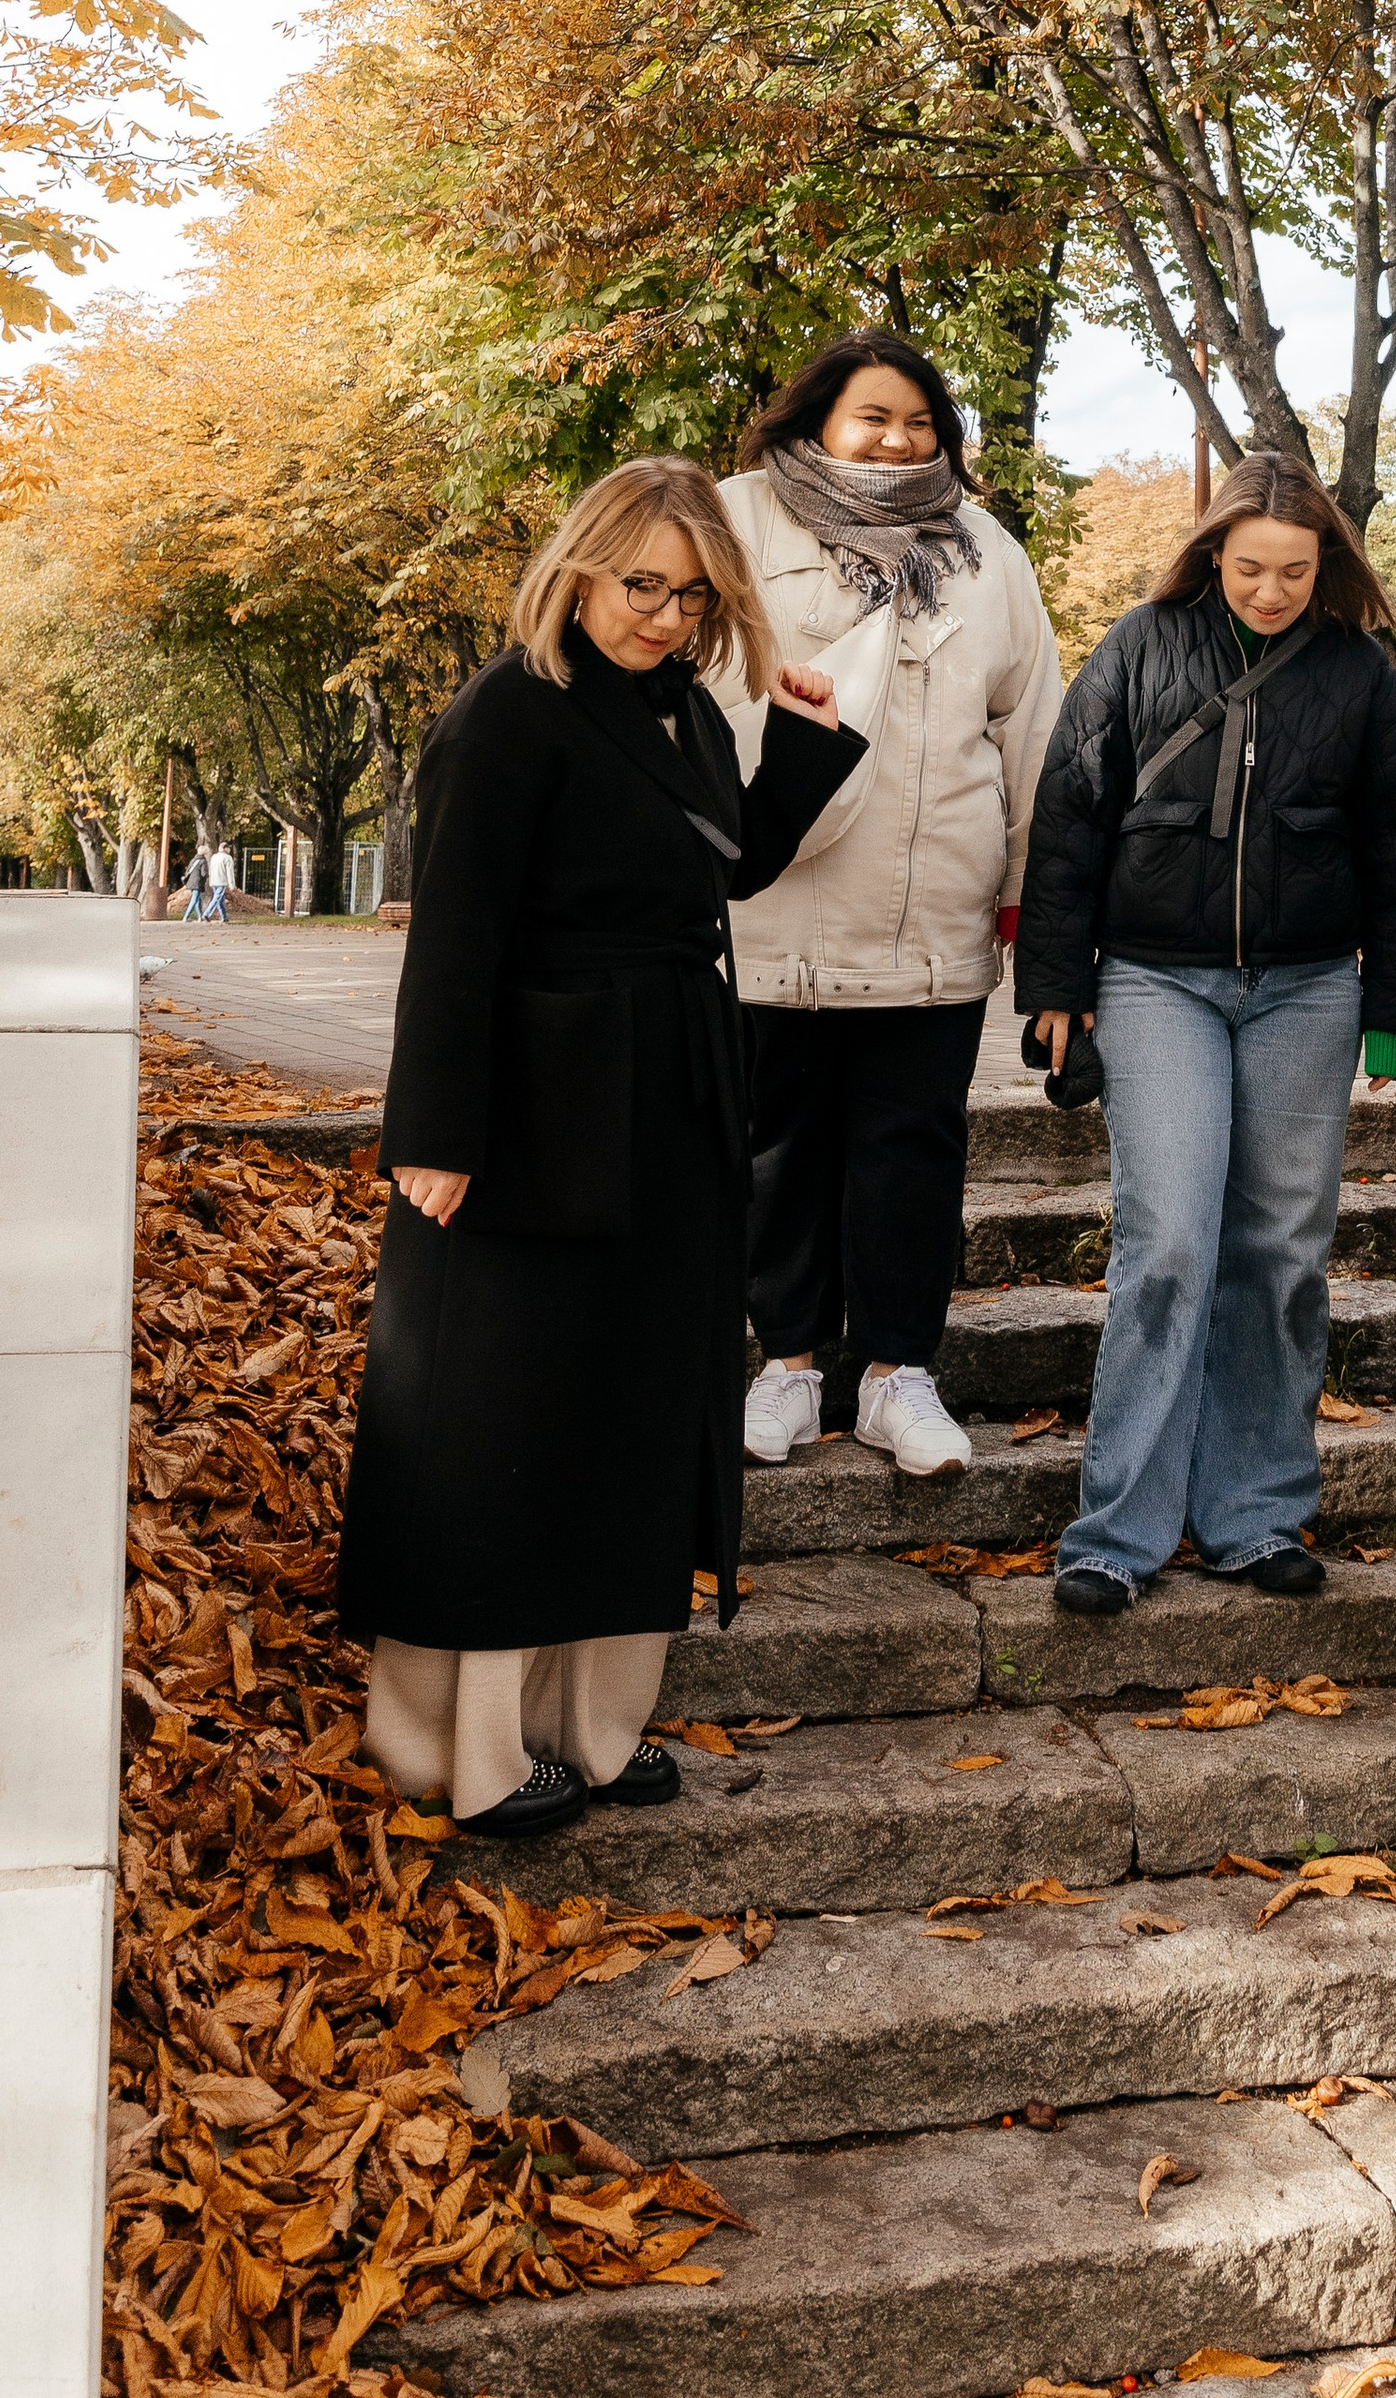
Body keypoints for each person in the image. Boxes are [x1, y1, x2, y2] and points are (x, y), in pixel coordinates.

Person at [336, 456, 863, 1838]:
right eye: (643, 585)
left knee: (636, 1411)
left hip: (669, 1102)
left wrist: (796, 742)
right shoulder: (505, 713)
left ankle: (594, 1724)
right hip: (531, 1112)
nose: (667, 616)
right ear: (579, 566)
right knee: (511, 1418)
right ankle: (474, 1750)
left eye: (693, 596)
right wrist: (437, 1131)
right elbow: (454, 933)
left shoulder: (679, 709)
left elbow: (723, 864)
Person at [1016, 452, 1396, 1614]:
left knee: (1284, 1249)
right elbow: (1069, 808)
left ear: (1328, 565)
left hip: (1308, 990)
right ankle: (1117, 1530)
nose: (1270, 590)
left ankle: (1253, 1515)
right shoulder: (1142, 644)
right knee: (1168, 1244)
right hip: (1158, 981)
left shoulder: (1359, 675)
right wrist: (1054, 975)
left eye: (1295, 571)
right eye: (1249, 567)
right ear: (1213, 554)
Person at [725, 330, 1061, 1481]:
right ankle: (786, 1366)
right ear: (815, 419)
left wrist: (1033, 902)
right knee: (780, 1148)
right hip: (778, 902)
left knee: (911, 1149)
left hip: (936, 909)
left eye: (919, 423)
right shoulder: (737, 520)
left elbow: (1032, 732)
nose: (897, 439)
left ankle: (895, 1374)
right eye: (872, 416)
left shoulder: (985, 551)